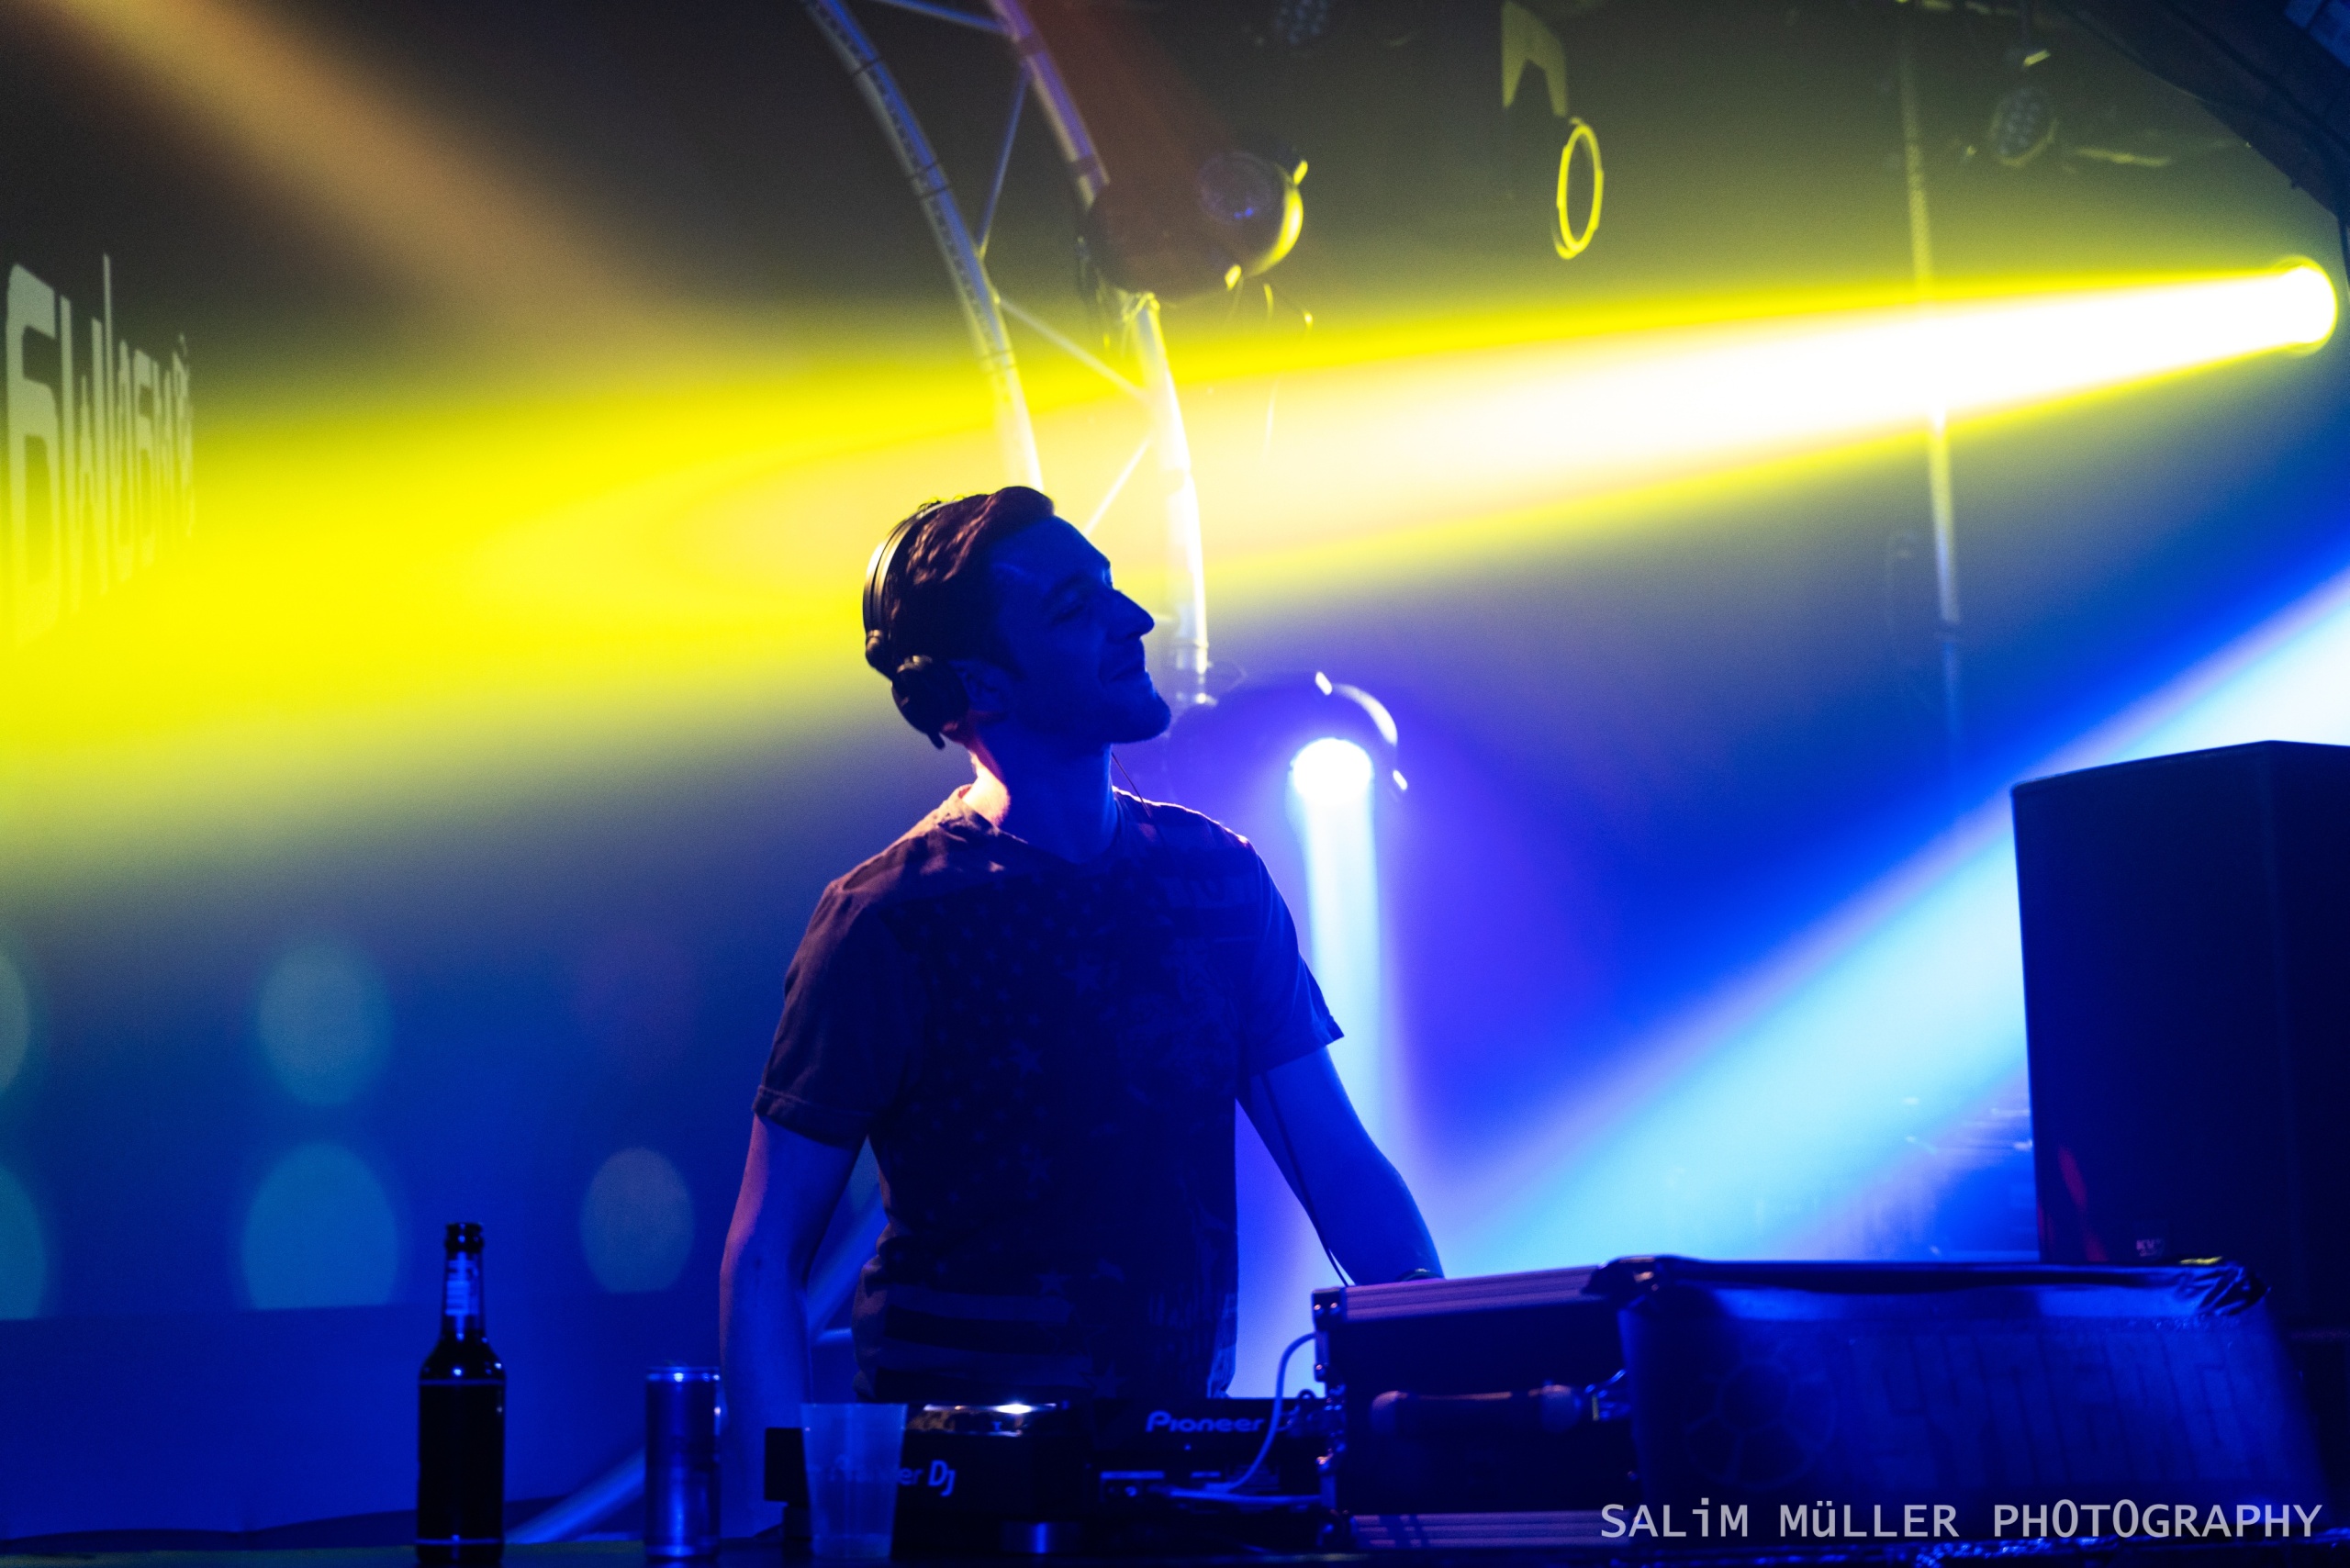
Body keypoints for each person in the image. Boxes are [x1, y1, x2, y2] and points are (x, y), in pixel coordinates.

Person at [719, 485, 1438, 1534]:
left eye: (1111, 588)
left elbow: (1341, 1171)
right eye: (1072, 607)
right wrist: (768, 1531)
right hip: (955, 1509)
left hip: (1174, 1477)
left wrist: (1452, 1381)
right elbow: (763, 1255)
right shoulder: (887, 920)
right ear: (974, 685)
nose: (1132, 618)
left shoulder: (1216, 880)